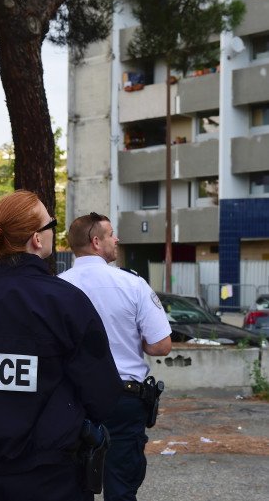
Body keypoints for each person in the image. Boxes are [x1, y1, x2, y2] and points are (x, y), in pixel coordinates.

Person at [0, 190, 122, 501]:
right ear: (37, 240)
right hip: (49, 479)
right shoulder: (65, 302)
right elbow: (103, 391)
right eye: (51, 225)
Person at [58, 212, 172, 501]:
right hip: (122, 400)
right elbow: (161, 345)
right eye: (111, 234)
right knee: (121, 487)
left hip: (71, 401)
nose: (117, 238)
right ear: (96, 242)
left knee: (70, 485)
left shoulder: (57, 287)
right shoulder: (132, 284)